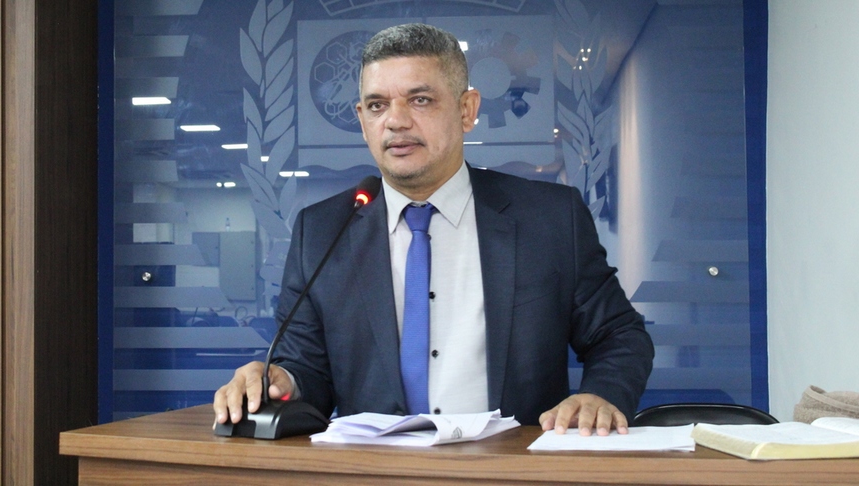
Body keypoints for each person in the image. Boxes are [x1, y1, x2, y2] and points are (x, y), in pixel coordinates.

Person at [214, 23, 653, 436]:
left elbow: (619, 335)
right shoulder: (322, 231)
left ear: (467, 110)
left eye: (420, 100)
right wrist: (280, 379)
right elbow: (306, 369)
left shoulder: (549, 217)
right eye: (377, 105)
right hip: (376, 473)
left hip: (511, 469)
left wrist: (600, 395)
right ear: (363, 120)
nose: (396, 121)